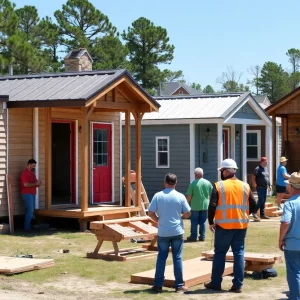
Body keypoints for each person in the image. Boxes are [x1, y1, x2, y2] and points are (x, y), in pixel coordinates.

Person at [204, 159, 257, 293]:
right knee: (239, 254)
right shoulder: (245, 186)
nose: (221, 173)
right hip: (240, 226)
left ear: (226, 171)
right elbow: (254, 204)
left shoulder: (219, 185)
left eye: (222, 171)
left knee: (220, 254)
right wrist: (244, 215)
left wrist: (211, 222)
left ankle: (216, 283)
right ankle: (238, 285)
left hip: (223, 226)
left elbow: (212, 206)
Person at [148, 173, 191, 293]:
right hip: (177, 231)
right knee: (177, 258)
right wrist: (181, 216)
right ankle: (179, 285)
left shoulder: (158, 196)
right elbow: (188, 213)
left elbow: (150, 213)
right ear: (176, 183)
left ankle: (158, 285)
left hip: (163, 232)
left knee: (161, 257)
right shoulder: (180, 196)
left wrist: (158, 220)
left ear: (165, 182)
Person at [279, 172, 300, 300]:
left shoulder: (289, 203)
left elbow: (286, 222)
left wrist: (281, 239)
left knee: (294, 273)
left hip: (292, 244)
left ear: (292, 187)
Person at [186, 167, 213, 242]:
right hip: (205, 205)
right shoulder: (208, 183)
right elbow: (212, 194)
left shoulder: (193, 183)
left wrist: (186, 205)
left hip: (195, 206)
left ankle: (193, 236)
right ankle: (202, 236)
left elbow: (189, 196)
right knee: (203, 221)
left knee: (194, 221)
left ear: (196, 175)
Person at [20, 159, 42, 230]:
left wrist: (38, 184)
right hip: (26, 194)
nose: (34, 167)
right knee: (30, 210)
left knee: (30, 210)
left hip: (32, 193)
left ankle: (29, 226)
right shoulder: (24, 173)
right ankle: (27, 228)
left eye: (35, 166)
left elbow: (34, 183)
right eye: (33, 166)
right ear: (28, 165)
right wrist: (35, 184)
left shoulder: (32, 174)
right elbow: (25, 184)